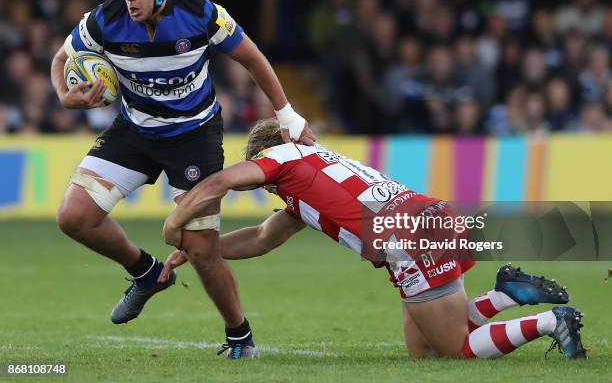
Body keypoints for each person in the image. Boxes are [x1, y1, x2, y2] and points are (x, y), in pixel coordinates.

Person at [50, 0, 315, 359]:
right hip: (134, 130)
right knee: (74, 216)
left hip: (194, 136)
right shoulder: (104, 20)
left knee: (200, 247)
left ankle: (240, 337)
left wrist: (288, 116)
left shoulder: (201, 14)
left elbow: (254, 58)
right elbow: (61, 58)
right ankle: (147, 272)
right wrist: (65, 96)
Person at [159, 118, 587, 360]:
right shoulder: (308, 178)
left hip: (406, 237)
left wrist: (178, 218)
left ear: (262, 155)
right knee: (424, 356)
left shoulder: (280, 157)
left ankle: (551, 322)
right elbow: (259, 238)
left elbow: (221, 183)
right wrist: (198, 250)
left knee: (456, 351)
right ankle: (509, 293)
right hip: (429, 219)